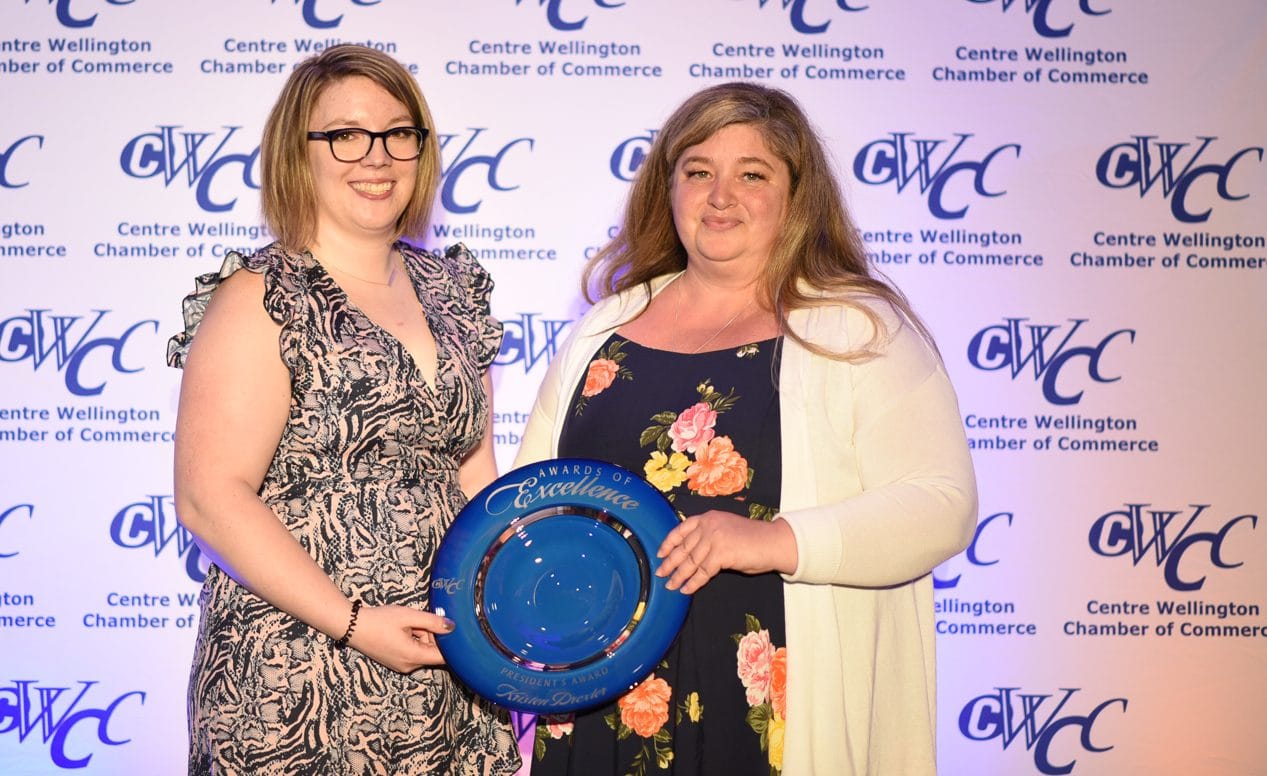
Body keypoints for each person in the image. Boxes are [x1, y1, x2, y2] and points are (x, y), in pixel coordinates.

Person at [515, 82, 977, 776]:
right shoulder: (602, 330)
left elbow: (942, 504)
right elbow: (530, 511)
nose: (720, 196)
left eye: (752, 175)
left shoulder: (857, 331)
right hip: (598, 699)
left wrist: (772, 541)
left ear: (797, 196)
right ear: (667, 189)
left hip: (769, 708)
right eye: (698, 171)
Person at [167, 44, 520, 775]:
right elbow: (210, 498)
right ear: (298, 152)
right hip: (296, 668)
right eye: (346, 135)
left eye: (397, 133)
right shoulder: (263, 296)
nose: (377, 156)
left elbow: (473, 474)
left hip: (445, 666)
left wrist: (510, 623)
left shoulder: (453, 290)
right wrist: (355, 623)